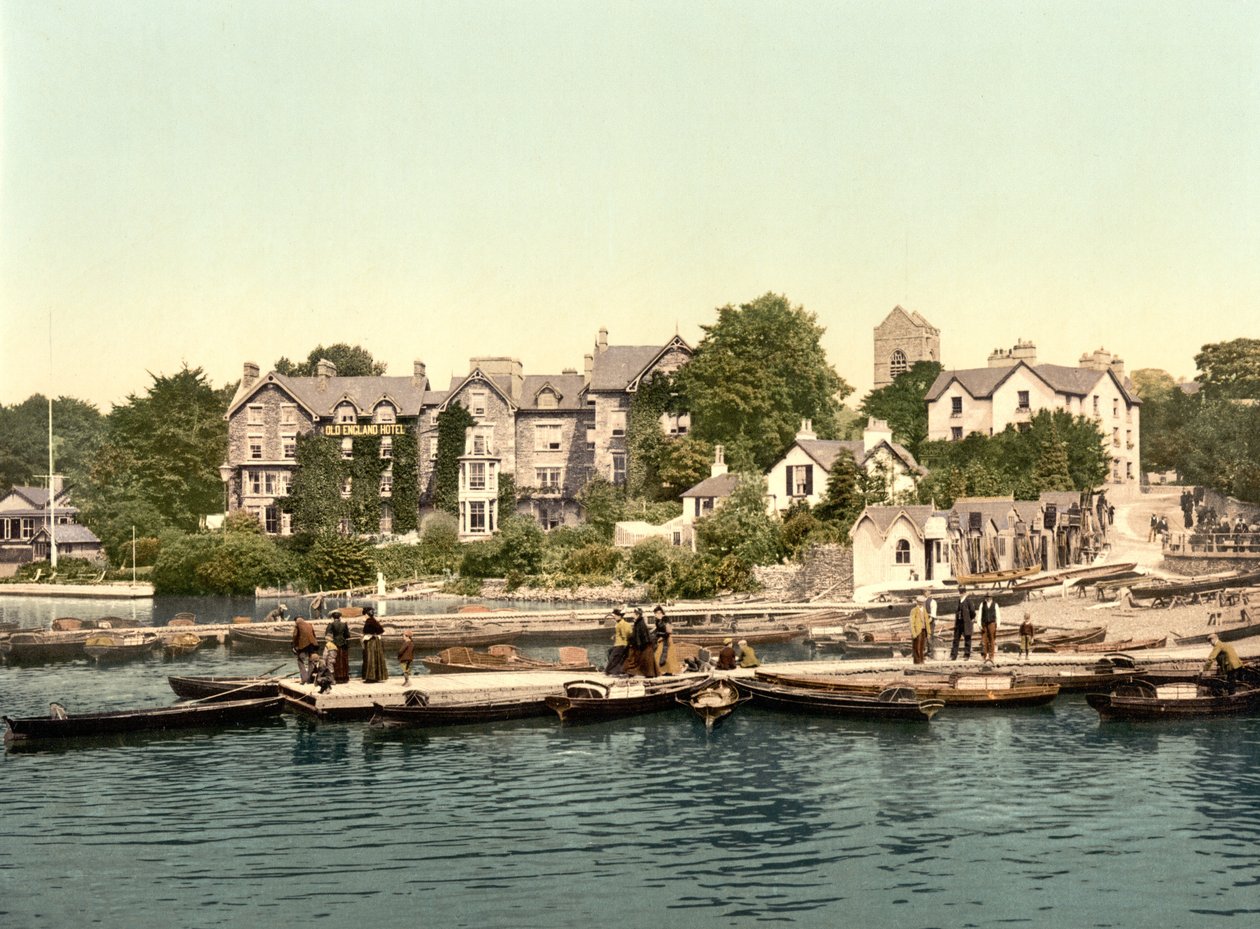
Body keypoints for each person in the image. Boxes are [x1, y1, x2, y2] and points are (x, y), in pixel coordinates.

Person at [626, 607, 659, 678]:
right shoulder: (639, 622)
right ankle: (647, 674)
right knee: (644, 660)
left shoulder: (640, 623)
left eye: (633, 613)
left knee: (644, 660)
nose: (632, 615)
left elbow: (641, 635)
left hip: (644, 645)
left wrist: (637, 644)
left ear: (637, 615)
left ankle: (648, 674)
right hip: (644, 644)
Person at [360, 606, 388, 683]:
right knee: (376, 658)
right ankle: (377, 676)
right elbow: (381, 631)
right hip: (377, 642)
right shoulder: (375, 620)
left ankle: (370, 677)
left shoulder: (368, 621)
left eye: (364, 614)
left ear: (366, 614)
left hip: (371, 642)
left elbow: (366, 631)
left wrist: (364, 635)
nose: (364, 616)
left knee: (370, 658)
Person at [324, 609, 352, 684]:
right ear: (339, 617)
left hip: (334, 644)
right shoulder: (344, 624)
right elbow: (347, 635)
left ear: (333, 617)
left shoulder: (331, 624)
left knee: (334, 660)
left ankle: (336, 677)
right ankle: (344, 677)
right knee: (343, 660)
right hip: (343, 644)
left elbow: (327, 634)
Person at [291, 614, 319, 684]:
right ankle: (310, 679)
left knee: (300, 660)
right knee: (311, 660)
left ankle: (304, 679)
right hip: (312, 644)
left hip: (303, 645)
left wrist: (294, 646)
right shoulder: (309, 624)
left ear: (296, 621)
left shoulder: (297, 625)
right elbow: (314, 635)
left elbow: (295, 636)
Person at [950, 587, 976, 661]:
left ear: (965, 593)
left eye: (961, 593)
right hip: (959, 623)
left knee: (967, 638)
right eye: (959, 592)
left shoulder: (969, 601)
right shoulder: (959, 601)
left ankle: (966, 655)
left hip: (966, 623)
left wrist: (969, 620)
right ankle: (954, 655)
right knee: (956, 639)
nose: (960, 594)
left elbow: (973, 612)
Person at [604, 606, 631, 676]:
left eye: (615, 616)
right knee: (613, 656)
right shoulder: (620, 623)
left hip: (620, 644)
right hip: (619, 643)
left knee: (613, 657)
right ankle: (614, 671)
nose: (614, 617)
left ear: (619, 616)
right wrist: (615, 636)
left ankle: (610, 671)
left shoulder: (621, 624)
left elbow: (624, 635)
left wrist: (625, 644)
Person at [979, 591, 1000, 663]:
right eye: (987, 597)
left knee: (992, 640)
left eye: (989, 597)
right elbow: (979, 615)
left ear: (991, 597)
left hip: (992, 623)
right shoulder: (982, 604)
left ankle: (992, 656)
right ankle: (984, 656)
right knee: (984, 640)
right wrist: (979, 624)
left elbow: (998, 615)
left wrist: (998, 624)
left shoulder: (995, 604)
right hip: (984, 624)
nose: (988, 598)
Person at [653, 606, 675, 674]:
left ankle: (667, 671)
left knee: (666, 655)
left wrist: (659, 635)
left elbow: (669, 631)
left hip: (666, 639)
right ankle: (661, 670)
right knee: (658, 654)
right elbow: (657, 629)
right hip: (661, 639)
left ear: (660, 613)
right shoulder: (658, 621)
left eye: (656, 614)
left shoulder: (666, 619)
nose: (655, 615)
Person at [909, 596, 930, 665]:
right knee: (916, 646)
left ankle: (921, 660)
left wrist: (928, 632)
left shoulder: (924, 610)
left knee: (922, 646)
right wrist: (913, 633)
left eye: (922, 603)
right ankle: (917, 661)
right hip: (917, 631)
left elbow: (926, 621)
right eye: (920, 602)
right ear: (917, 602)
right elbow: (911, 622)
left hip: (924, 630)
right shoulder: (914, 610)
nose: (921, 604)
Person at [924, 593, 938, 659]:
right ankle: (925, 651)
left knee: (929, 636)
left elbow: (933, 614)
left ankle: (931, 653)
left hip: (930, 621)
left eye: (927, 592)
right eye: (925, 592)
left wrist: (928, 621)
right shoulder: (924, 601)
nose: (926, 593)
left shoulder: (933, 602)